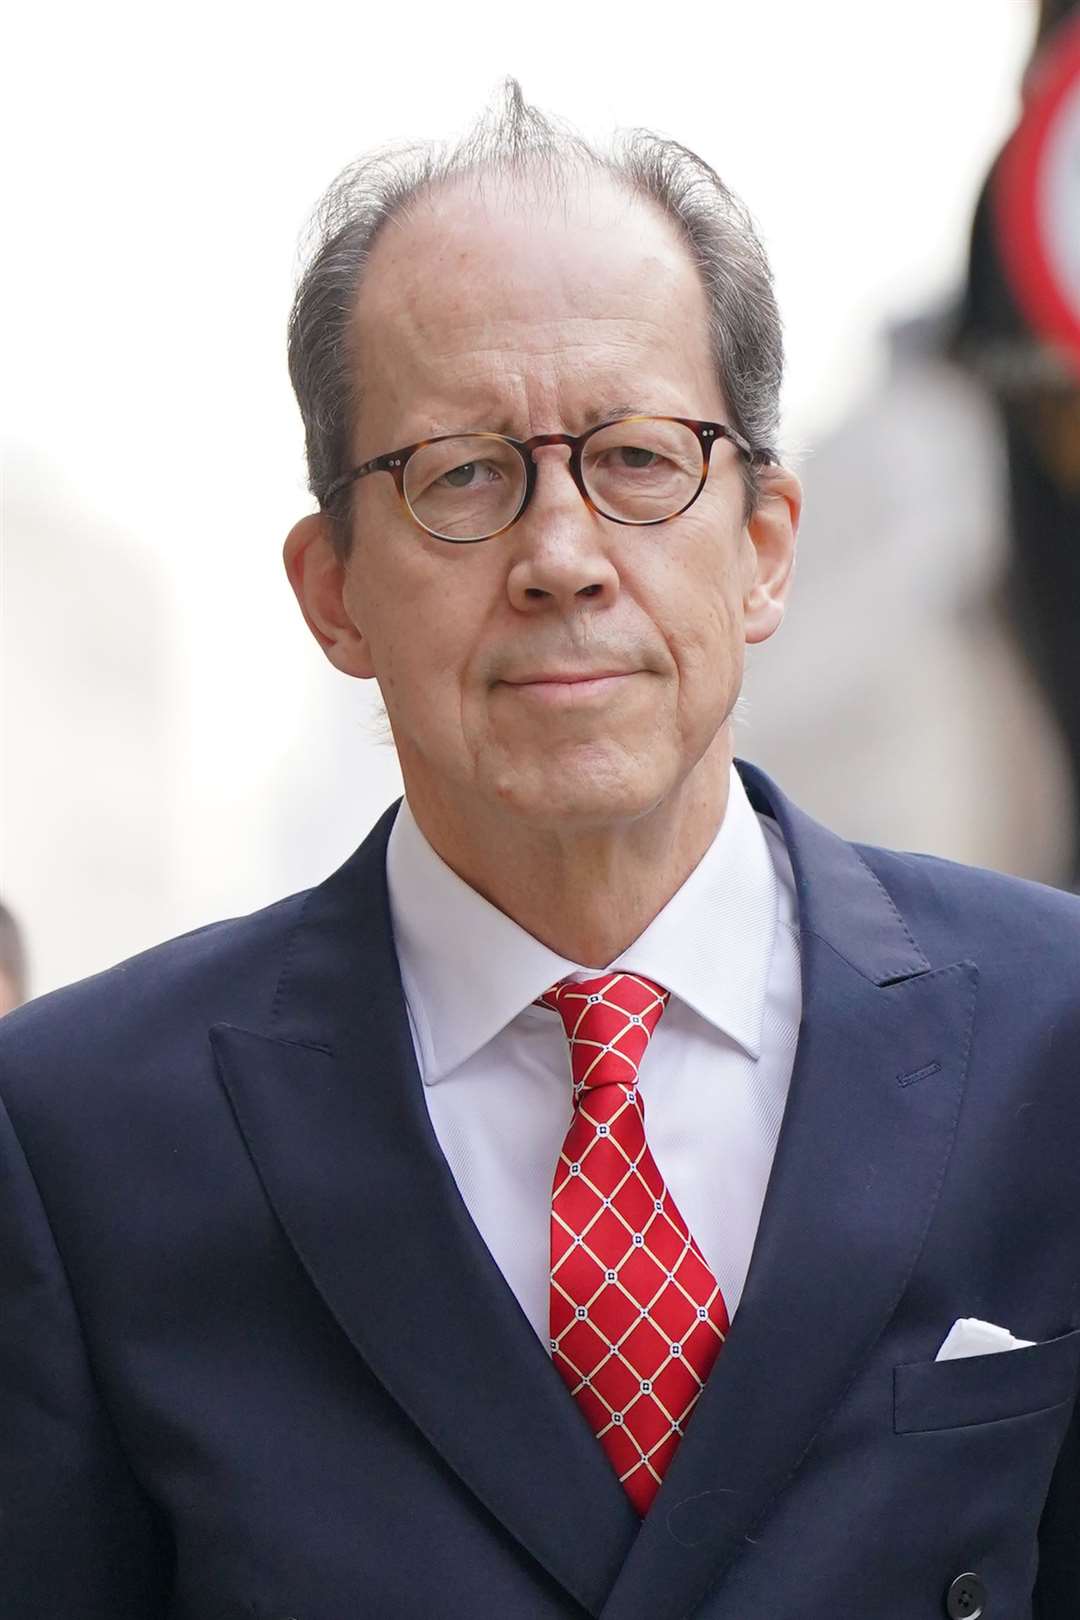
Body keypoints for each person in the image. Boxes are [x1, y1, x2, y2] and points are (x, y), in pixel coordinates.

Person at [2, 84, 1079, 1620]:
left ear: (766, 543)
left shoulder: (1054, 1036)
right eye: (461, 475)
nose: (563, 555)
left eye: (640, 459)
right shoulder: (79, 1143)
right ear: (333, 593)